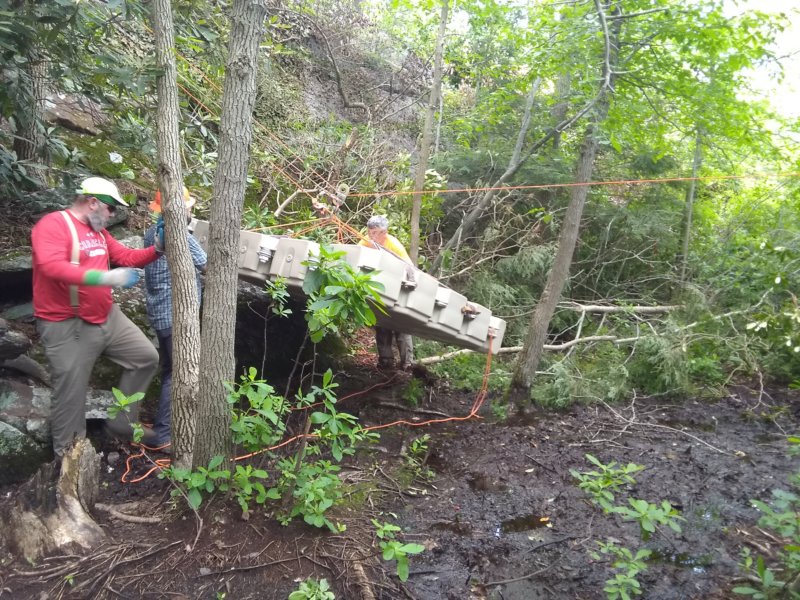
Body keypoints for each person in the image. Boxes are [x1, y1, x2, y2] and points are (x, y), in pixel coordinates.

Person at [31, 176, 164, 457]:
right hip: (66, 323)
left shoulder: (99, 232)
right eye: (111, 208)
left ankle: (122, 422)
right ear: (93, 203)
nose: (112, 215)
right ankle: (70, 462)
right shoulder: (54, 225)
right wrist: (104, 277)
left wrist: (158, 248)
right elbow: (51, 266)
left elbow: (127, 257)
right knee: (70, 397)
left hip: (106, 316)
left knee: (145, 358)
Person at [143, 187, 207, 448]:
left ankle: (165, 426)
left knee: (171, 369)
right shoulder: (177, 232)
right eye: (189, 207)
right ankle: (163, 434)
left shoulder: (152, 231)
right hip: (175, 315)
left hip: (160, 313)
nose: (191, 211)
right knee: (178, 373)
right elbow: (206, 264)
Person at [358, 215, 415, 370]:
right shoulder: (366, 242)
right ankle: (386, 362)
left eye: (375, 233)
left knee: (401, 329)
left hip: (398, 290)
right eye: (370, 232)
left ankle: (407, 364)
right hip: (378, 289)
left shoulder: (393, 244)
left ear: (384, 232)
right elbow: (357, 258)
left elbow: (410, 268)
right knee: (382, 326)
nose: (372, 236)